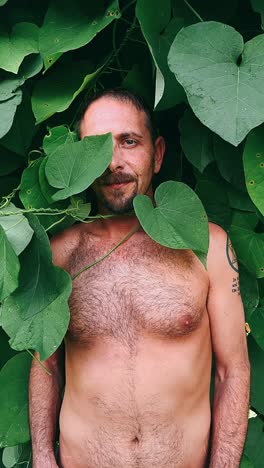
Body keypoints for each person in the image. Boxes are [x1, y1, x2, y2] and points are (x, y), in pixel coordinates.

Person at [29, 89, 250, 468]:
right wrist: (42, 456)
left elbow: (233, 371)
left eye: (128, 142)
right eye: (95, 147)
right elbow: (45, 365)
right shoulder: (60, 254)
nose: (112, 162)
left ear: (158, 153)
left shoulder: (207, 247)